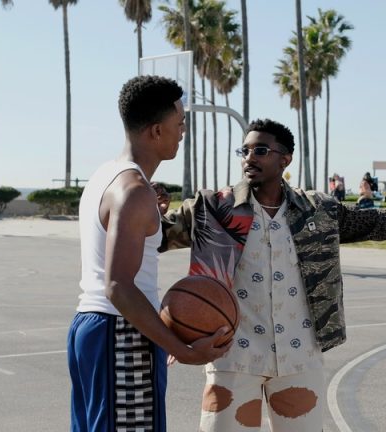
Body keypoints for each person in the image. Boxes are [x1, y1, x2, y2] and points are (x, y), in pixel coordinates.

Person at [160, 118, 386, 431]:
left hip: (299, 356)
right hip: (232, 354)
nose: (250, 157)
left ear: (285, 159)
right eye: (245, 150)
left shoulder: (318, 211)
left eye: (261, 150)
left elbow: (381, 222)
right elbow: (152, 234)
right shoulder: (213, 208)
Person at [67, 76, 231, 432]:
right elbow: (118, 286)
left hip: (92, 326)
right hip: (120, 334)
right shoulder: (134, 190)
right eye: (179, 124)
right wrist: (183, 349)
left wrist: (149, 212)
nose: (183, 132)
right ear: (157, 131)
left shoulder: (105, 176)